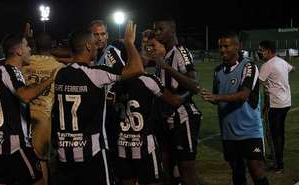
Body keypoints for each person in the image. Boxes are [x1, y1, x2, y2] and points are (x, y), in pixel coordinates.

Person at [51, 21, 144, 185]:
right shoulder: (95, 74)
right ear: (88, 46)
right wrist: (129, 42)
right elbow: (137, 69)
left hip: (66, 150)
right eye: (94, 41)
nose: (97, 44)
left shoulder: (61, 74)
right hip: (92, 150)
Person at [201, 32, 269, 185]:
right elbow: (218, 98)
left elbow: (243, 95)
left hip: (250, 131)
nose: (222, 50)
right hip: (228, 133)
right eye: (220, 47)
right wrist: (209, 97)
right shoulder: (217, 71)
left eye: (226, 46)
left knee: (256, 169)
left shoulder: (249, 66)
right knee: (237, 171)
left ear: (237, 47)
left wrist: (216, 97)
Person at [0, 33, 55, 185]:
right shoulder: (10, 71)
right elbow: (25, 95)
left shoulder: (2, 71)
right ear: (18, 51)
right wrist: (51, 79)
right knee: (40, 181)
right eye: (26, 45)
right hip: (15, 144)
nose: (30, 49)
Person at [142, 18, 201, 185]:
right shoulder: (165, 54)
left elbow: (194, 85)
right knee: (168, 166)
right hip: (166, 118)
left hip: (183, 117)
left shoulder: (180, 51)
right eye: (155, 30)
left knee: (186, 169)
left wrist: (167, 67)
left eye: (160, 29)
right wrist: (146, 41)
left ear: (172, 30)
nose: (157, 33)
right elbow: (145, 59)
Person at [22, 32, 64, 185]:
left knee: (22, 157)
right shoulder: (59, 67)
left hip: (22, 115)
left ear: (34, 46)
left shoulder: (24, 63)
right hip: (43, 117)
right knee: (42, 159)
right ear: (52, 46)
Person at [258, 40, 295, 173]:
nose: (260, 53)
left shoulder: (267, 65)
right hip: (286, 102)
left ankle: (278, 164)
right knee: (280, 133)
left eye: (261, 50)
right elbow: (293, 69)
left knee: (273, 134)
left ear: (268, 50)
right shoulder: (281, 61)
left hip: (274, 104)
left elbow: (257, 83)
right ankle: (277, 156)